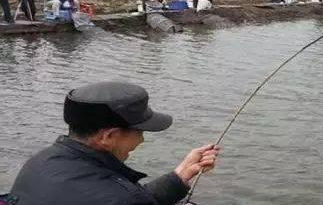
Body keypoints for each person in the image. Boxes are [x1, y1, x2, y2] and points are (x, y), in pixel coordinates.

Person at [7, 82, 221, 205]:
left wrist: (181, 175)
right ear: (109, 137)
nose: (142, 140)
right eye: (139, 132)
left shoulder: (39, 163)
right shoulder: (119, 198)